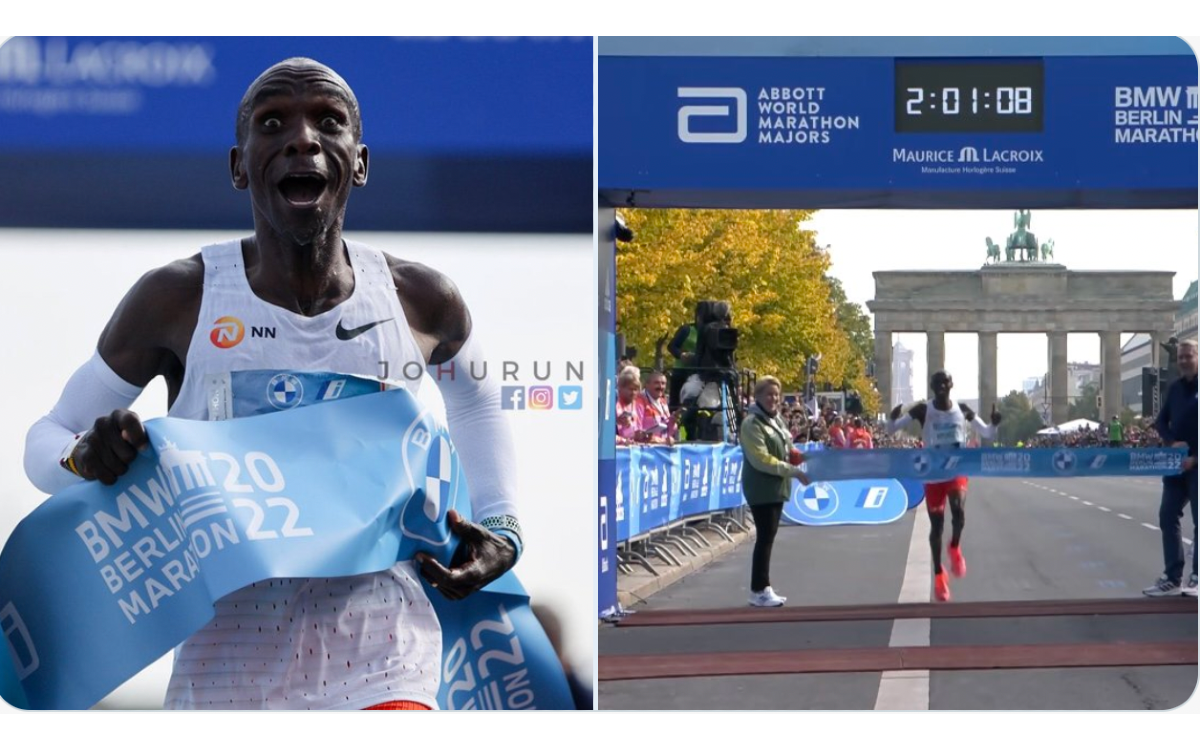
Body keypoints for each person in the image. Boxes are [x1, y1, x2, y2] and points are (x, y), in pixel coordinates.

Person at [22, 58, 522, 709]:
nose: (303, 138)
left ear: (360, 162)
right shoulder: (178, 299)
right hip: (226, 669)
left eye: (328, 122)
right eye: (273, 122)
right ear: (239, 166)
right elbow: (46, 441)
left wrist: (503, 528)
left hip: (385, 657)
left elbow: (478, 402)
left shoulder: (421, 301)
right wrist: (85, 457)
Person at [887, 371, 1000, 602]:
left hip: (955, 470)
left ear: (951, 385)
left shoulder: (963, 410)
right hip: (933, 474)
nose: (941, 386)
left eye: (945, 382)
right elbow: (891, 429)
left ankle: (955, 547)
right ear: (931, 386)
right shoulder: (922, 410)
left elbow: (987, 432)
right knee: (936, 526)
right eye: (937, 383)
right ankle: (939, 574)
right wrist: (892, 418)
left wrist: (994, 423)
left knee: (958, 512)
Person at [739, 376, 810, 607]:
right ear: (758, 397)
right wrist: (792, 469)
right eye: (769, 394)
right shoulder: (752, 423)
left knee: (768, 536)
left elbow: (787, 445)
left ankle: (763, 587)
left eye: (777, 395)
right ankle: (759, 589)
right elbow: (761, 459)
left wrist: (796, 454)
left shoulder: (775, 419)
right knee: (765, 537)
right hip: (761, 486)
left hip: (776, 485)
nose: (774, 399)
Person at [1143, 339, 1198, 597]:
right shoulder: (1175, 388)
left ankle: (1197, 578)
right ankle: (1172, 577)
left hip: (1197, 464)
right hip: (1176, 464)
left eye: (1189, 356)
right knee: (1167, 515)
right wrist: (1170, 441)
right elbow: (1161, 421)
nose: (1184, 361)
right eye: (1181, 357)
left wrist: (1195, 458)